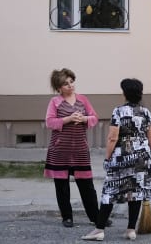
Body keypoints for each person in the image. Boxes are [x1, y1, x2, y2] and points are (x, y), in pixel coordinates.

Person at [82, 78, 151, 242]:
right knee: (135, 193)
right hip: (142, 158)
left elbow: (112, 138)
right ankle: (131, 230)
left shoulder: (118, 111)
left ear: (125, 93)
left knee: (110, 191)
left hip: (121, 157)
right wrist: (142, 153)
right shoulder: (146, 112)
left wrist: (108, 157)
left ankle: (99, 229)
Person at [44, 68, 110, 230]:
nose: (70, 86)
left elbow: (94, 118)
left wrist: (84, 118)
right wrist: (68, 119)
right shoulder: (55, 102)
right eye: (65, 84)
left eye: (71, 82)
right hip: (60, 151)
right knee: (62, 186)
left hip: (80, 150)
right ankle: (67, 217)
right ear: (58, 87)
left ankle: (96, 217)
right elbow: (49, 122)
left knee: (87, 185)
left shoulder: (83, 99)